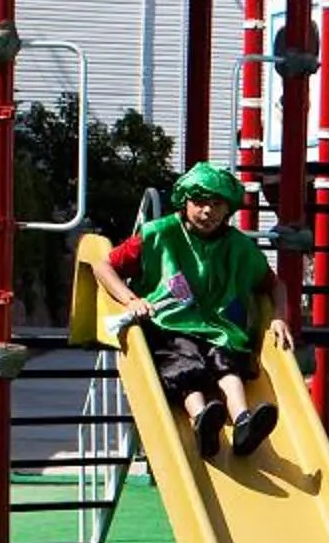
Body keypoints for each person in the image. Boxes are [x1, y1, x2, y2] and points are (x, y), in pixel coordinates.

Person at [91, 161, 291, 460]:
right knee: (184, 361)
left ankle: (243, 421)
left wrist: (279, 317)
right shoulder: (160, 234)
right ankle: (201, 419)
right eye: (199, 203)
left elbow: (275, 284)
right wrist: (130, 299)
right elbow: (102, 265)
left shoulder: (237, 246)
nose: (207, 211)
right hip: (168, 323)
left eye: (216, 204)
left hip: (216, 327)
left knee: (227, 360)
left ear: (228, 209)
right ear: (185, 202)